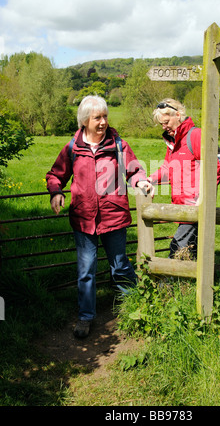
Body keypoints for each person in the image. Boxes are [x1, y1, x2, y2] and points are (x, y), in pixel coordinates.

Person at [46, 95, 153, 338]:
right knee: (86, 271)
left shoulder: (118, 145)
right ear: (85, 121)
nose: (103, 122)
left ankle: (137, 307)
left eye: (105, 116)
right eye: (97, 117)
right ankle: (86, 317)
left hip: (113, 217)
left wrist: (142, 181)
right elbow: (55, 175)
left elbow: (134, 170)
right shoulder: (73, 148)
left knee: (120, 267)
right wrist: (55, 192)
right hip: (83, 218)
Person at [148, 98, 220, 259]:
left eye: (166, 122)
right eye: (161, 124)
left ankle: (166, 282)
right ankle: (190, 282)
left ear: (178, 115)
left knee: (177, 247)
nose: (164, 127)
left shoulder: (195, 136)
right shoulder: (174, 142)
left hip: (194, 206)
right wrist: (150, 179)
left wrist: (201, 199)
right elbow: (168, 167)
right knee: (192, 251)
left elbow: (214, 166)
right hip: (182, 206)